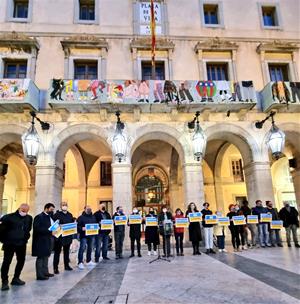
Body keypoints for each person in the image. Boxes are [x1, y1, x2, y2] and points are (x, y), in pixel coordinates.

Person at [0, 204, 32, 291]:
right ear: (19, 208)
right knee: (7, 262)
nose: (24, 212)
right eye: (23, 210)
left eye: (26, 211)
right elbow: (1, 230)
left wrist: (26, 238)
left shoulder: (29, 218)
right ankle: (4, 281)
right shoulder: (8, 217)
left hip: (21, 244)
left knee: (21, 261)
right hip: (9, 244)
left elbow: (28, 230)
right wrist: (4, 240)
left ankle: (16, 278)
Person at [32, 203, 55, 280]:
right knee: (41, 257)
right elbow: (37, 228)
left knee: (46, 256)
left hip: (49, 239)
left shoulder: (50, 217)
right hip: (41, 240)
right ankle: (39, 275)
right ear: (46, 208)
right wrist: (49, 232)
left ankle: (45, 272)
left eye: (53, 210)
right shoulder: (39, 217)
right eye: (51, 209)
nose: (52, 211)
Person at [53, 202, 74, 274]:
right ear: (61, 206)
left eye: (65, 205)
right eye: (63, 205)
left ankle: (66, 265)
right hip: (59, 237)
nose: (64, 206)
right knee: (57, 253)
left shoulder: (70, 215)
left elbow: (72, 224)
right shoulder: (56, 215)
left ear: (67, 206)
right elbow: (54, 225)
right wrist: (59, 226)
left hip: (68, 237)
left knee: (66, 252)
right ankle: (55, 268)